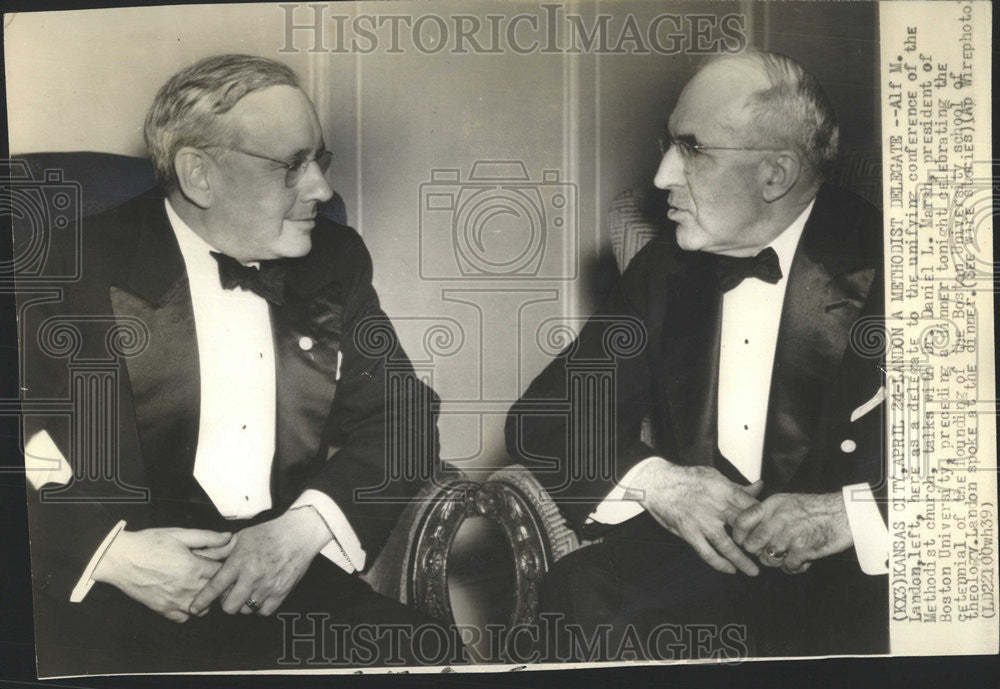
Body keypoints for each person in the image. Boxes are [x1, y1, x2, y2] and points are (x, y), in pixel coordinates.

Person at [18, 54, 452, 674]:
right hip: (114, 593)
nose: (322, 191)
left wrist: (301, 530)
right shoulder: (60, 264)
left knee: (425, 655)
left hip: (276, 577)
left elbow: (403, 419)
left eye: (318, 160)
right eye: (291, 166)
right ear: (199, 175)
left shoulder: (335, 258)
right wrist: (104, 552)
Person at [506, 50, 889, 660]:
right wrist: (663, 483)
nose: (661, 176)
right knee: (577, 591)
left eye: (692, 148)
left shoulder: (910, 261)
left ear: (775, 174)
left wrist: (852, 513)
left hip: (859, 581)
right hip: (707, 572)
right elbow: (546, 417)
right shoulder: (663, 271)